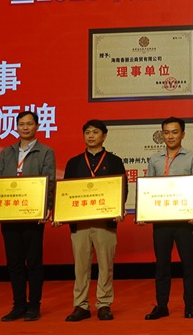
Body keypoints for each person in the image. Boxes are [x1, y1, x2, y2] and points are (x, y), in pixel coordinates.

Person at [58, 120, 127, 322]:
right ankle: (81, 305)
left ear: (104, 136)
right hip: (80, 224)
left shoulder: (114, 161)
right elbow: (66, 192)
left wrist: (118, 209)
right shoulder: (74, 163)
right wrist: (61, 215)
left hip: (105, 222)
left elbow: (122, 188)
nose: (91, 136)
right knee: (81, 267)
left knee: (106, 265)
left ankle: (104, 304)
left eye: (95, 132)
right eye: (87, 132)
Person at [0, 111, 56, 322]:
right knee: (14, 263)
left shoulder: (45, 151)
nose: (25, 127)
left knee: (34, 263)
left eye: (29, 124)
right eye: (21, 124)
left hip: (33, 215)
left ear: (37, 126)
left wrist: (46, 208)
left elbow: (49, 181)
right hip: (9, 215)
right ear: (17, 127)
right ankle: (18, 306)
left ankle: (34, 306)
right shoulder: (6, 152)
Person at [143, 117, 193, 320]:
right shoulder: (155, 158)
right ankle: (162, 306)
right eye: (166, 132)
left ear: (182, 134)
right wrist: (144, 212)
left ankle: (189, 305)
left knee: (189, 265)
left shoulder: (192, 156)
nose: (170, 136)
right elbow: (148, 188)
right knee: (162, 265)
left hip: (184, 221)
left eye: (175, 132)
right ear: (162, 135)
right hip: (161, 221)